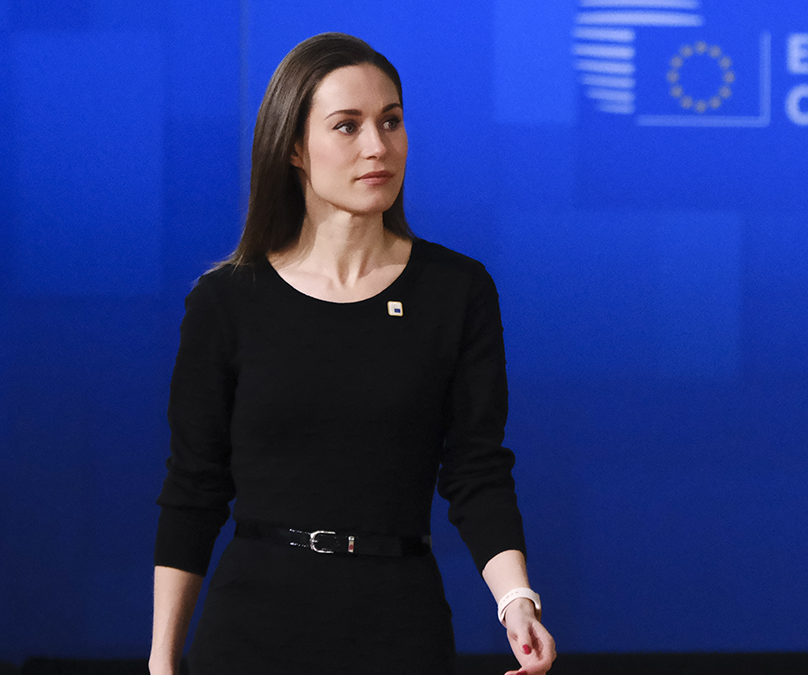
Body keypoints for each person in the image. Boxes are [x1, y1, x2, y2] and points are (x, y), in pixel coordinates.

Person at [148, 32, 556, 675]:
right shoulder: (227, 300)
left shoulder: (457, 291)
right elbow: (194, 488)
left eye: (390, 121)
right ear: (292, 147)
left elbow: (476, 469)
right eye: (348, 126)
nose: (378, 146)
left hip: (399, 625)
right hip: (253, 630)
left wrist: (516, 600)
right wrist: (162, 660)